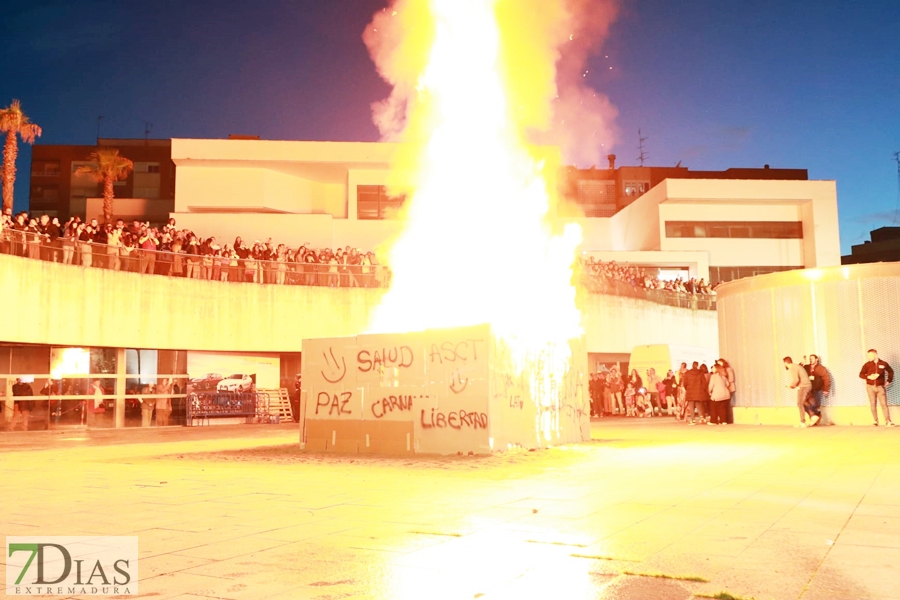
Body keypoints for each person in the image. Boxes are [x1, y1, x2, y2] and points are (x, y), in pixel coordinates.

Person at [859, 349, 894, 427]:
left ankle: (888, 421)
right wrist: (868, 377)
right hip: (870, 387)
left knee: (884, 404)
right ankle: (875, 420)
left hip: (880, 387)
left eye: (871, 355)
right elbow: (861, 374)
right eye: (868, 356)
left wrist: (889, 381)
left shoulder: (883, 363)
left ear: (876, 355)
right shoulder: (867, 365)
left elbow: (890, 371)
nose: (869, 357)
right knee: (872, 404)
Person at [784, 356, 813, 427]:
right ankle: (813, 415)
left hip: (804, 387)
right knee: (803, 403)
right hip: (806, 386)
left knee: (800, 403)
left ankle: (803, 422)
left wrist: (790, 386)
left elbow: (796, 380)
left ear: (785, 363)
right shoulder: (796, 366)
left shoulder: (793, 368)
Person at [803, 354, 831, 427]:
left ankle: (814, 419)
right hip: (808, 388)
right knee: (803, 403)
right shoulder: (806, 367)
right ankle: (816, 414)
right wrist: (802, 362)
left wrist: (826, 389)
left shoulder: (821, 368)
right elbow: (798, 369)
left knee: (814, 404)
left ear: (816, 359)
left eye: (812, 358)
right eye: (810, 358)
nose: (810, 360)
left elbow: (826, 378)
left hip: (817, 389)